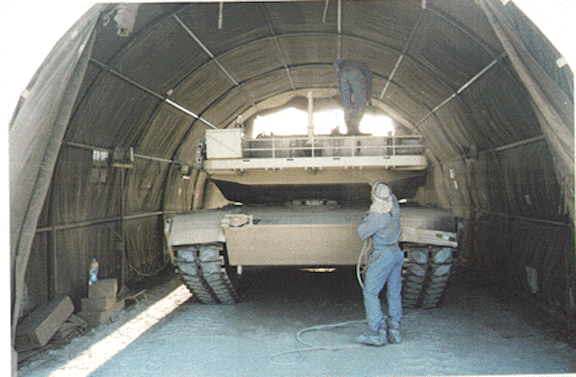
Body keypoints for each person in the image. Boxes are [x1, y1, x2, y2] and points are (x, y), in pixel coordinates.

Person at [356, 183, 403, 346]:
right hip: (396, 252)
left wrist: (367, 217)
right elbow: (393, 198)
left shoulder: (377, 216)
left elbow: (362, 233)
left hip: (382, 256)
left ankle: (378, 332)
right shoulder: (394, 209)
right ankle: (394, 330)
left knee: (371, 292)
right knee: (394, 291)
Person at [333, 59, 373, 135]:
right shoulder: (365, 68)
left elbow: (336, 66)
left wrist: (341, 92)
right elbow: (368, 82)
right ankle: (353, 126)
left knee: (347, 104)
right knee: (360, 103)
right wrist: (368, 97)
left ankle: (350, 128)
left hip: (342, 74)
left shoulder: (342, 66)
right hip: (355, 73)